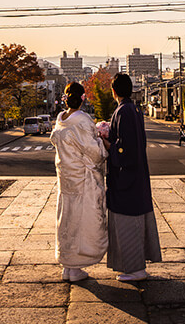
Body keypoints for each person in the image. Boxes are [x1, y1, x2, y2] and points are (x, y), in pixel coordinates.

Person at [101, 73, 161, 282]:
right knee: (135, 221)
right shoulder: (134, 109)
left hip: (126, 178)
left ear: (114, 91)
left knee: (128, 223)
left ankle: (135, 269)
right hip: (137, 176)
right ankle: (135, 266)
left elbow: (124, 150)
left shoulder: (123, 111)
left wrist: (107, 142)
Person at [50, 82, 107, 282]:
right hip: (82, 179)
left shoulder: (60, 119)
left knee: (66, 219)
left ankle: (67, 265)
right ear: (82, 98)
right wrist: (101, 137)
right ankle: (74, 267)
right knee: (83, 221)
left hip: (65, 177)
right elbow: (95, 153)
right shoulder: (82, 120)